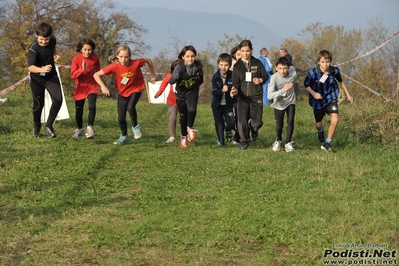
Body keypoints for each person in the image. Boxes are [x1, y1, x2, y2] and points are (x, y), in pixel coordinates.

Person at [93, 45, 156, 145]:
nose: (123, 59)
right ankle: (124, 136)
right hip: (122, 92)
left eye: (126, 57)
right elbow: (96, 75)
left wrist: (153, 75)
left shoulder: (135, 63)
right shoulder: (114, 66)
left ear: (130, 56)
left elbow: (148, 60)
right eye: (121, 56)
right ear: (117, 56)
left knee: (130, 107)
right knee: (121, 117)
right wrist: (103, 86)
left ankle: (135, 127)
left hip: (136, 89)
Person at [304, 49, 354, 152]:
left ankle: (328, 142)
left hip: (331, 98)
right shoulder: (313, 72)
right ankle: (320, 130)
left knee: (335, 120)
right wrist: (314, 94)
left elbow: (341, 82)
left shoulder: (334, 71)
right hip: (317, 100)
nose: (325, 64)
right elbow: (306, 85)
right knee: (318, 123)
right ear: (319, 62)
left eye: (327, 61)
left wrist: (348, 95)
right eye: (323, 62)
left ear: (330, 61)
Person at [230, 40, 268, 150]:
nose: (245, 53)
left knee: (257, 122)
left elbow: (265, 76)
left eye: (248, 51)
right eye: (243, 51)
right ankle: (244, 142)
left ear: (251, 50)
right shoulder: (237, 66)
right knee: (241, 122)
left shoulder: (257, 63)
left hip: (256, 96)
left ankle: (254, 129)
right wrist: (234, 91)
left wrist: (260, 80)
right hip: (242, 98)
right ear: (239, 51)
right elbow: (235, 83)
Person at [27, 22, 63, 138]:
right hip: (37, 79)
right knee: (39, 105)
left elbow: (53, 47)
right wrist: (42, 69)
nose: (44, 42)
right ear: (37, 36)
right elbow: (30, 67)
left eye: (46, 39)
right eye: (41, 39)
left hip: (51, 76)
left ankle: (49, 126)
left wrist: (55, 55)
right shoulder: (33, 49)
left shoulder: (53, 40)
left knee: (58, 100)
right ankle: (36, 127)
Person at [169, 45, 203, 148]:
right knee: (183, 116)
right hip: (181, 94)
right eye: (187, 56)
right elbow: (171, 81)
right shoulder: (180, 67)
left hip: (192, 92)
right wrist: (177, 75)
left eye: (192, 56)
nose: (190, 59)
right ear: (183, 57)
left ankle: (190, 127)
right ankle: (183, 138)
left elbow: (201, 79)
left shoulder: (198, 65)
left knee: (192, 110)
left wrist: (196, 84)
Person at [70, 38, 100, 139]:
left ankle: (90, 128)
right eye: (85, 50)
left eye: (90, 50)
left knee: (92, 106)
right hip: (80, 87)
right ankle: (79, 129)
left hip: (92, 86)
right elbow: (73, 75)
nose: (87, 52)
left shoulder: (95, 58)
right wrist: (81, 70)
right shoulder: (76, 59)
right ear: (80, 49)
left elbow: (98, 70)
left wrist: (100, 76)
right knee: (79, 110)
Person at [268, 57, 297, 152]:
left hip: (290, 101)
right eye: (280, 68)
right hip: (279, 103)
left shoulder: (293, 71)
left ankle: (288, 143)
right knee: (279, 125)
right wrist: (283, 90)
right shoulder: (274, 78)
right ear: (276, 68)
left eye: (285, 68)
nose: (283, 71)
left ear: (289, 67)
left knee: (291, 120)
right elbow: (269, 96)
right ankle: (279, 139)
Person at [211, 53, 239, 146]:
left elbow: (235, 86)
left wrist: (232, 89)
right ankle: (220, 140)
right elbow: (214, 91)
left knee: (231, 123)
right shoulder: (215, 76)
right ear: (218, 64)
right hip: (217, 104)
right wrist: (222, 90)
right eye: (221, 65)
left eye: (226, 65)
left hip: (228, 104)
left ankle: (228, 130)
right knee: (219, 123)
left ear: (230, 65)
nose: (223, 67)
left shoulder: (233, 75)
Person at [154, 59, 180, 143]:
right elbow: (164, 84)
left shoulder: (186, 76)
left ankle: (187, 134)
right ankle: (172, 136)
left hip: (184, 101)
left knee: (185, 118)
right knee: (173, 117)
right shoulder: (169, 76)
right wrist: (159, 93)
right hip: (172, 101)